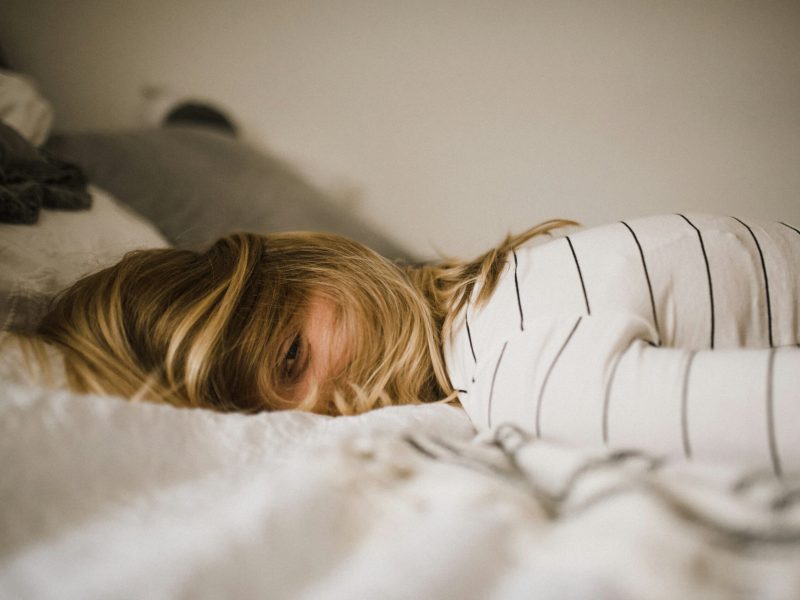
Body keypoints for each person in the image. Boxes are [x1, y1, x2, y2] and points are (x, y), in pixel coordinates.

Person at [19, 215, 800, 469]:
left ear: (314, 264)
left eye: (292, 358)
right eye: (278, 422)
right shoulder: (492, 307)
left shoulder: (515, 366)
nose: (328, 413)